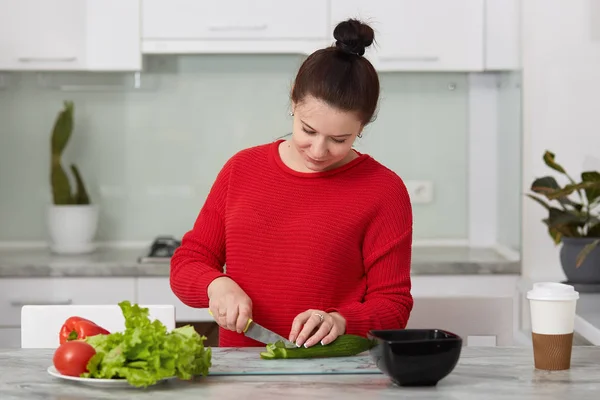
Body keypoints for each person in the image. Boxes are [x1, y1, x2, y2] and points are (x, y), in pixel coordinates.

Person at [170, 18, 414, 348]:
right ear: (293, 105)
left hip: (335, 373)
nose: (318, 150)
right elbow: (188, 263)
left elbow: (393, 306)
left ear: (362, 128)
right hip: (241, 373)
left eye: (339, 139)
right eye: (308, 130)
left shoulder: (383, 190)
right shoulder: (242, 169)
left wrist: (340, 321)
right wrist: (216, 284)